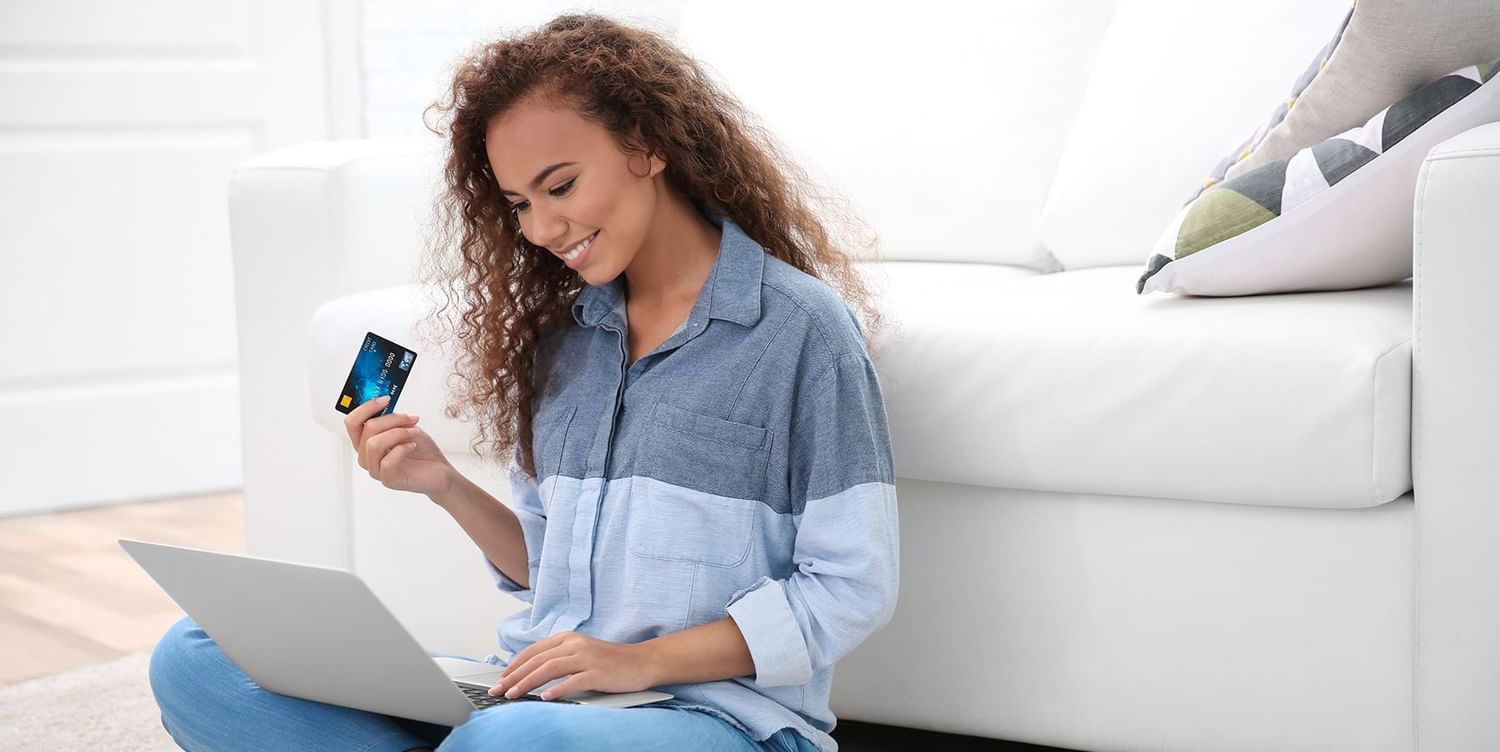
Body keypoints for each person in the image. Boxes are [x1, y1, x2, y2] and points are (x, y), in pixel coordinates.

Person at [148, 12, 898, 752]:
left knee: (517, 743)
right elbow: (549, 569)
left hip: (710, 718)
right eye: (519, 206)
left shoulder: (799, 332)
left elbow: (850, 587)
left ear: (647, 144)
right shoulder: (567, 340)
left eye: (561, 186)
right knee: (196, 657)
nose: (541, 230)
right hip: (524, 697)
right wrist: (441, 483)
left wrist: (632, 663)